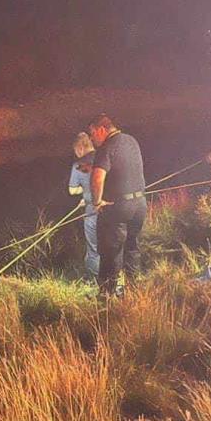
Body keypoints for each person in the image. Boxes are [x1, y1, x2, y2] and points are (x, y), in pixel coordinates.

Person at [87, 114, 147, 297]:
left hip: (119, 206)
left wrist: (96, 202)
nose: (91, 139)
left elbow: (97, 177)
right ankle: (134, 291)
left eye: (92, 134)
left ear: (101, 130)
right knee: (132, 247)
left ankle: (107, 295)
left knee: (111, 250)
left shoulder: (106, 147)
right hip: (140, 205)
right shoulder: (131, 141)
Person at [67, 132, 99, 278]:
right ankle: (118, 281)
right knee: (113, 246)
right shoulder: (103, 157)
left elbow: (72, 190)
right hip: (112, 208)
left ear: (80, 149)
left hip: (92, 211)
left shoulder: (79, 165)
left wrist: (85, 191)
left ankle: (95, 282)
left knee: (93, 249)